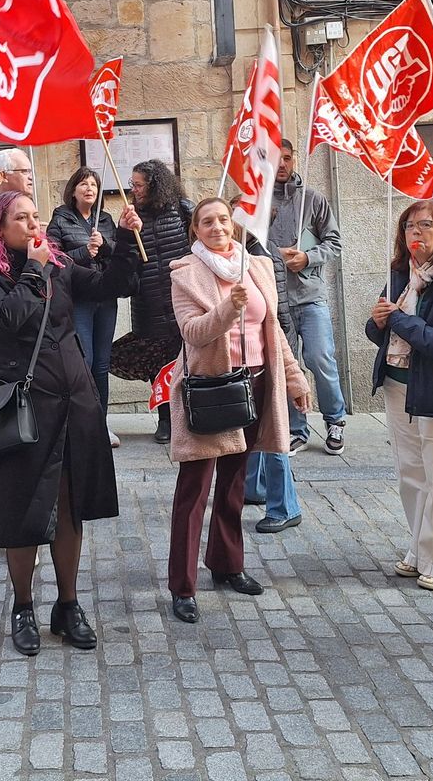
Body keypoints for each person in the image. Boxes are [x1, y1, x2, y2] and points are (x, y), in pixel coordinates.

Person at [0, 190, 142, 654]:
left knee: (69, 505)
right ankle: (23, 607)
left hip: (73, 402)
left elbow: (110, 286)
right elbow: (6, 318)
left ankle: (68, 604)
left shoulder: (59, 265)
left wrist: (125, 239)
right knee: (21, 509)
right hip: (22, 411)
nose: (33, 224)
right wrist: (33, 269)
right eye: (21, 218)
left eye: (36, 216)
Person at [166, 197, 310, 624]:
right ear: (196, 230)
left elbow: (274, 331)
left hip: (257, 383)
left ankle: (227, 564)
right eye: (207, 222)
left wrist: (295, 378)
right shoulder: (186, 272)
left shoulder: (258, 266)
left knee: (234, 483)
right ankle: (182, 586)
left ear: (234, 224)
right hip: (212, 388)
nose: (217, 227)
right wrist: (228, 309)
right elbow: (193, 332)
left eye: (223, 220)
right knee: (194, 489)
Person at [367, 199, 433, 590]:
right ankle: (420, 550)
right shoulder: (400, 272)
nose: (416, 232)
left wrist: (396, 318)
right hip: (398, 385)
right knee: (412, 474)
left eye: (426, 225)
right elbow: (380, 331)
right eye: (409, 226)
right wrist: (378, 322)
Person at [265, 140, 346, 456]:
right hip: (275, 298)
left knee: (320, 357)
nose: (281, 164)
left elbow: (334, 242)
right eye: (276, 159)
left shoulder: (313, 199)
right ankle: (296, 428)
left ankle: (335, 420)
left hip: (310, 296)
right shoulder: (257, 203)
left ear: (294, 159)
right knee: (287, 366)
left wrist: (308, 258)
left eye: (287, 158)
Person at [48, 166, 122, 448]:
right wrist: (82, 252)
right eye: (83, 184)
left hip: (105, 297)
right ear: (73, 190)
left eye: (93, 184)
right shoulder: (60, 218)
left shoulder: (105, 219)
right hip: (78, 298)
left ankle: (101, 423)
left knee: (102, 363)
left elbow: (119, 253)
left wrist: (105, 246)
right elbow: (52, 258)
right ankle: (81, 423)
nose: (89, 188)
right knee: (84, 361)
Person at [123, 160, 194, 443]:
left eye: (139, 184)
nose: (134, 189)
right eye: (132, 184)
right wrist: (126, 231)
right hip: (148, 302)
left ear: (154, 184)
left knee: (184, 361)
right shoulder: (132, 215)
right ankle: (165, 419)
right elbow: (124, 256)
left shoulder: (182, 209)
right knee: (158, 365)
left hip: (181, 299)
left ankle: (188, 415)